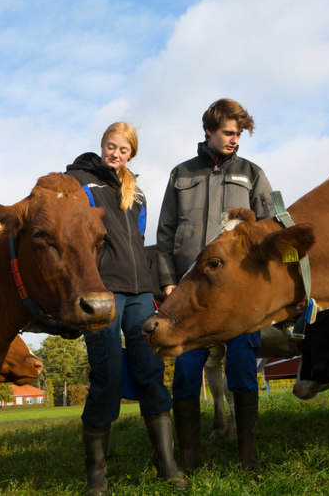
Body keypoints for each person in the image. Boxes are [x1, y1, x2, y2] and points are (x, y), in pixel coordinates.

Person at [66, 122, 188, 495]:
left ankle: (167, 465)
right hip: (104, 292)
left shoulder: (137, 196)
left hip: (140, 294)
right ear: (102, 145)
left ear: (131, 154)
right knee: (107, 374)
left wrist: (152, 289)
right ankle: (96, 479)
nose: (115, 154)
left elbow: (138, 241)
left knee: (151, 370)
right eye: (110, 146)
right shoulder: (81, 183)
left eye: (123, 150)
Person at [156, 98, 274, 473]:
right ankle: (189, 459)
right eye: (228, 132)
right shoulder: (181, 174)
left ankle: (247, 456)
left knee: (241, 367)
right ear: (209, 129)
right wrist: (169, 283)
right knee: (187, 372)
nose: (234, 140)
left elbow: (270, 230)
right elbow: (165, 235)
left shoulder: (252, 173)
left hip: (239, 296)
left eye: (238, 134)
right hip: (190, 295)